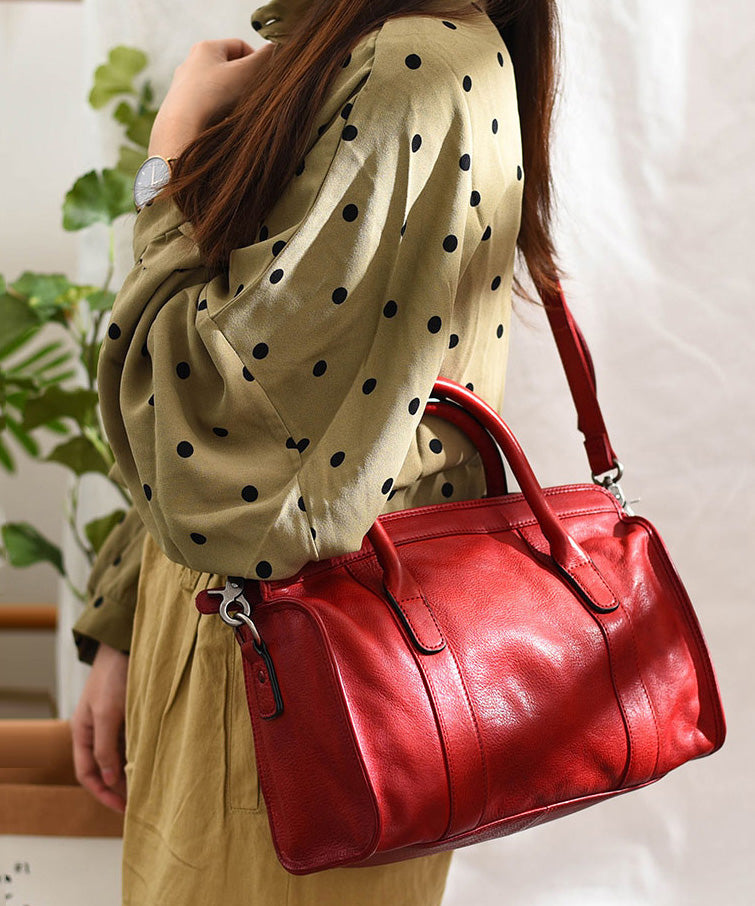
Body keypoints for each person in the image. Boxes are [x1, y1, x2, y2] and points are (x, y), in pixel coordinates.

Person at [71, 0, 564, 902]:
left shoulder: (409, 66)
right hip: (258, 649)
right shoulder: (363, 49)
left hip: (288, 685)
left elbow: (218, 414)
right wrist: (124, 615)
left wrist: (168, 154)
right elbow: (264, 421)